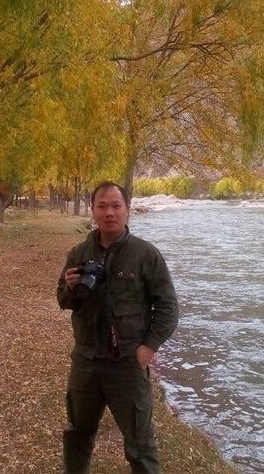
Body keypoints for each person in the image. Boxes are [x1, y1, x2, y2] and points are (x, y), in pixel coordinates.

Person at [57, 181, 179, 473]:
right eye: (102, 206)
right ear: (93, 210)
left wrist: (148, 347)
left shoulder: (146, 255)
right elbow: (63, 300)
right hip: (86, 361)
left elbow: (167, 307)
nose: (109, 212)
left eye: (116, 206)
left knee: (140, 445)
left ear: (127, 210)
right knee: (77, 434)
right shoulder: (78, 253)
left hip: (127, 365)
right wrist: (71, 288)